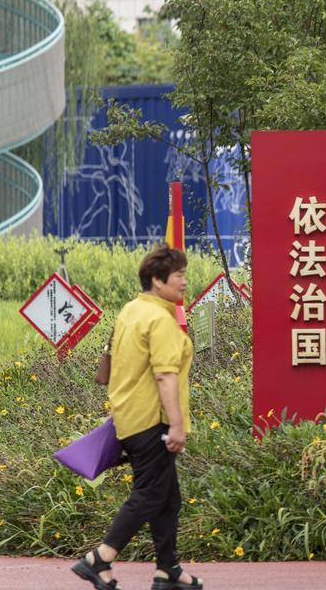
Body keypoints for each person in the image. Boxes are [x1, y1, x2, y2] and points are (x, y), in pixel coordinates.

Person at [72, 245, 202, 590]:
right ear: (158, 281)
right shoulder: (160, 320)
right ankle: (99, 558)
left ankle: (168, 570)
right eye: (179, 276)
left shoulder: (131, 310)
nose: (184, 282)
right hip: (151, 420)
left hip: (127, 416)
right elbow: (165, 375)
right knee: (148, 494)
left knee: (166, 496)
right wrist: (176, 425)